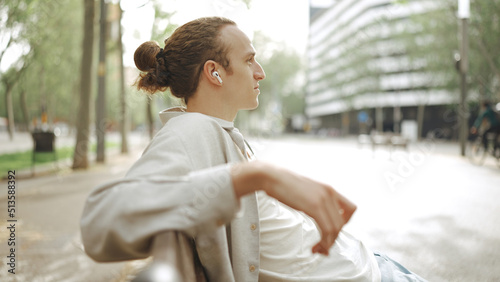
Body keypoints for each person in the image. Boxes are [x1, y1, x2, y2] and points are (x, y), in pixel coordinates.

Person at [80, 17, 426, 281]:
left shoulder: (217, 132)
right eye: (249, 60)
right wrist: (257, 175)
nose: (260, 73)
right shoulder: (190, 131)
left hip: (372, 263)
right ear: (214, 73)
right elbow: (99, 222)